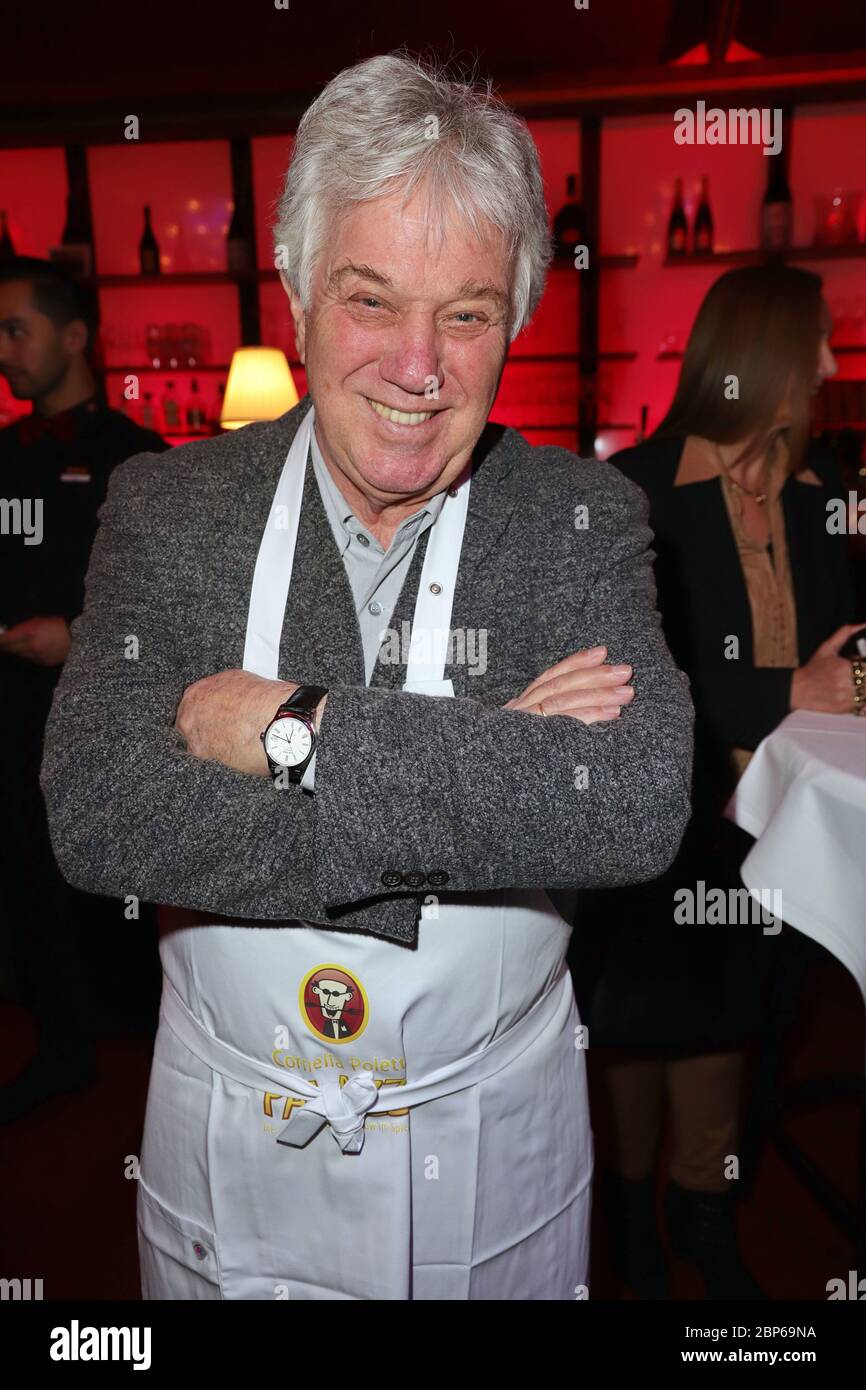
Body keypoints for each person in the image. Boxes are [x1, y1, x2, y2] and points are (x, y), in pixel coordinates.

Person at [40, 52, 693, 1301]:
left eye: (466, 312)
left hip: (491, 1132)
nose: (417, 366)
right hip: (234, 1126)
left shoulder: (579, 515)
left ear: (517, 316)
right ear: (292, 288)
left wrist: (292, 729)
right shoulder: (171, 508)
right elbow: (100, 810)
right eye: (369, 299)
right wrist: (489, 761)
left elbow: (625, 805)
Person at [570, 264, 862, 1301]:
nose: (830, 365)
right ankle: (634, 1223)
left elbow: (850, 639)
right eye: (816, 344)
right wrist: (790, 686)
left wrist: (843, 675)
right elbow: (626, 677)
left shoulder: (818, 488)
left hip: (777, 823)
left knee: (733, 1028)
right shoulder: (635, 492)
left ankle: (700, 1213)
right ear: (759, 361)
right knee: (638, 1032)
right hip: (667, 817)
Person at [0, 257, 167, 1123]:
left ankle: (146, 1046)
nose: (4, 352)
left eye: (15, 330)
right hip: (14, 711)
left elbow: (175, 606)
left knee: (108, 876)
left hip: (107, 710)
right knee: (28, 874)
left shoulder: (137, 461)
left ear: (72, 337)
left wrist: (77, 636)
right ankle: (60, 1042)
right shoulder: (5, 454)